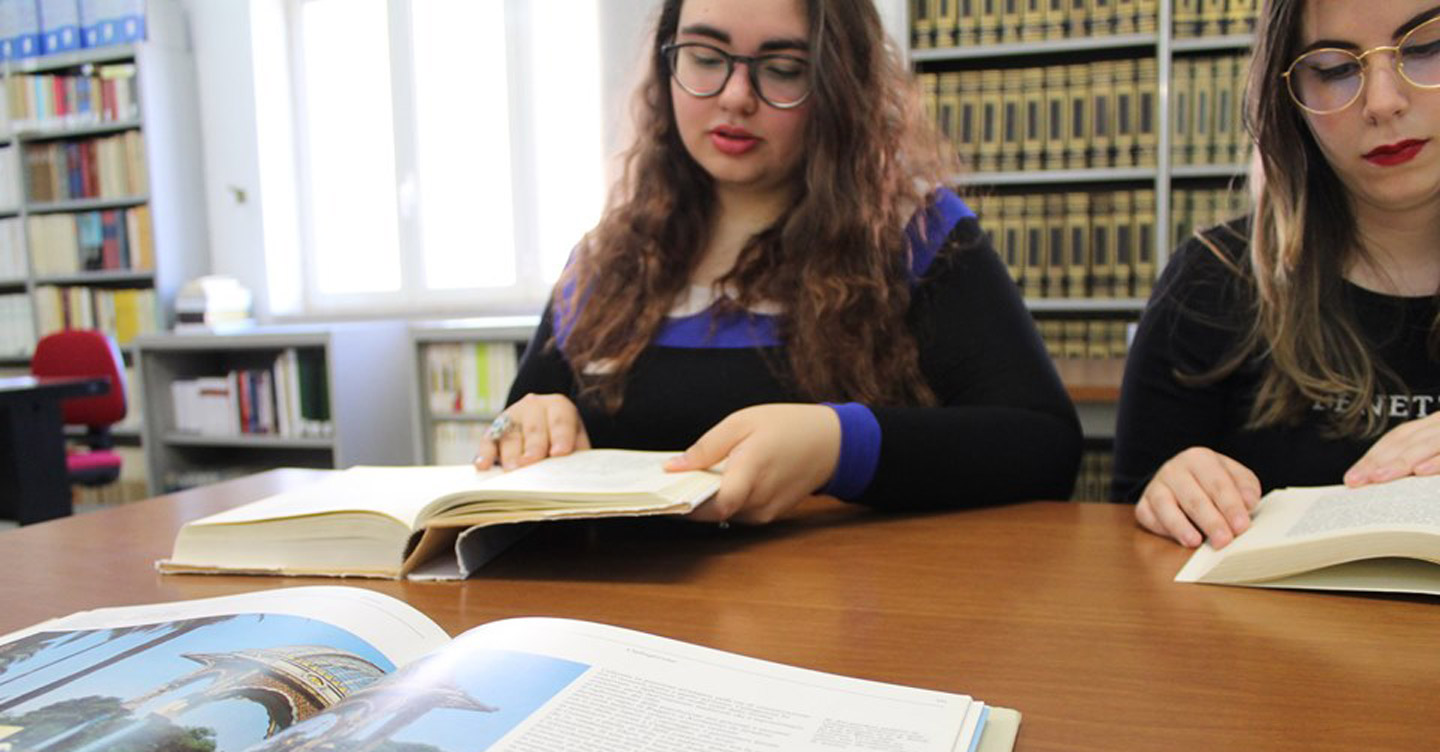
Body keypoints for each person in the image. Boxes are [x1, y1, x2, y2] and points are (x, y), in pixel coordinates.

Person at [475, 0, 1082, 523]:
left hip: (841, 626)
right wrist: (528, 423)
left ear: (838, 85)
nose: (736, 97)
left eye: (784, 69)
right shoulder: (605, 259)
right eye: (706, 60)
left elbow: (1044, 444)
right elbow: (512, 452)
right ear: (667, 63)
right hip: (623, 631)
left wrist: (840, 445)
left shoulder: (913, 235)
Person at [1113, 0, 1440, 548]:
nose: (1382, 103)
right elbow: (1128, 518)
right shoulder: (1212, 279)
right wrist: (1171, 492)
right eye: (1335, 70)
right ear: (1289, 100)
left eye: (1428, 47)